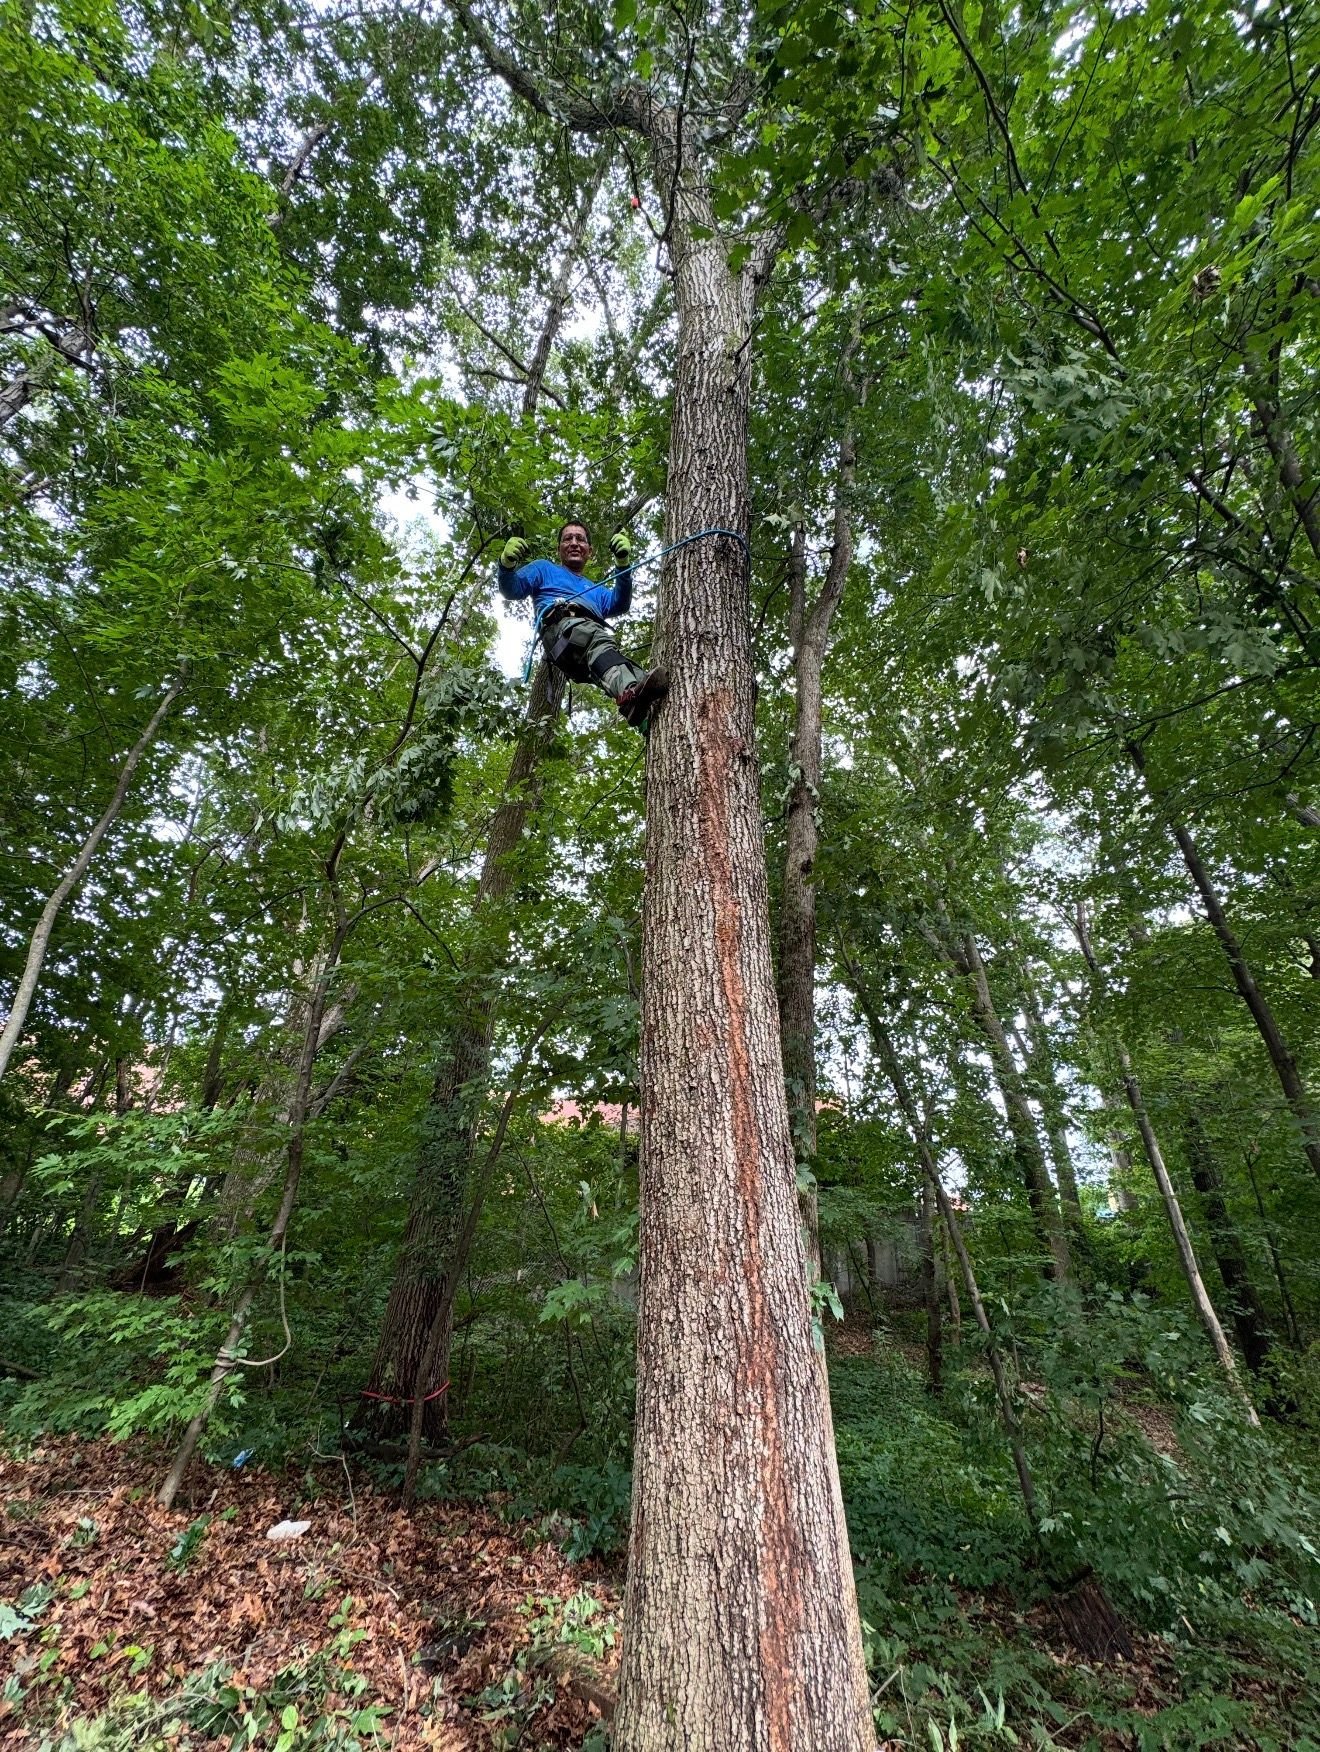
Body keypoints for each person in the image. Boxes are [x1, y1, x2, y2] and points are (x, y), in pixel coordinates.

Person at [498, 519, 669, 729]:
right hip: (563, 631)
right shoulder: (544, 569)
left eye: (580, 539)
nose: (574, 543)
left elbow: (621, 603)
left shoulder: (595, 590)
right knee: (599, 643)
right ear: (559, 548)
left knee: (622, 665)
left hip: (582, 650)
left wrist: (623, 562)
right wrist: (506, 564)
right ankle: (631, 695)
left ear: (590, 550)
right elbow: (512, 589)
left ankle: (648, 721)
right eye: (567, 538)